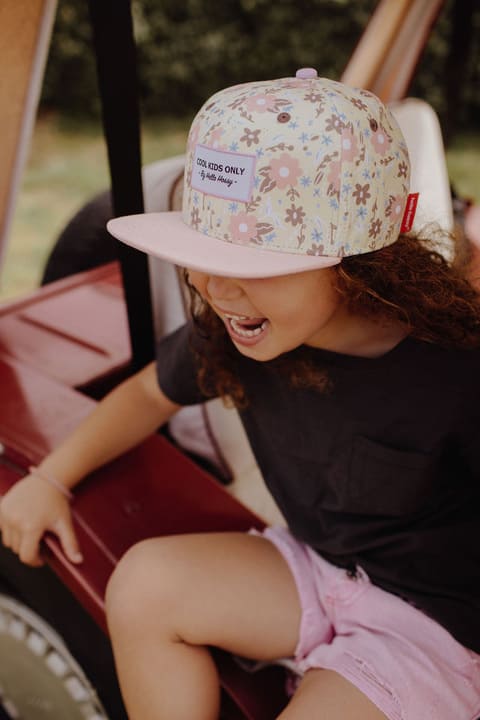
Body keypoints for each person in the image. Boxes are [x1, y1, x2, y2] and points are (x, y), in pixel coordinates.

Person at [1, 69, 480, 720]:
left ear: (360, 261)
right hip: (319, 568)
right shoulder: (243, 333)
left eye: (254, 264)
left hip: (436, 631)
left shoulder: (457, 372)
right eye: (204, 253)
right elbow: (147, 395)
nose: (217, 288)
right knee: (144, 584)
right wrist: (52, 480)